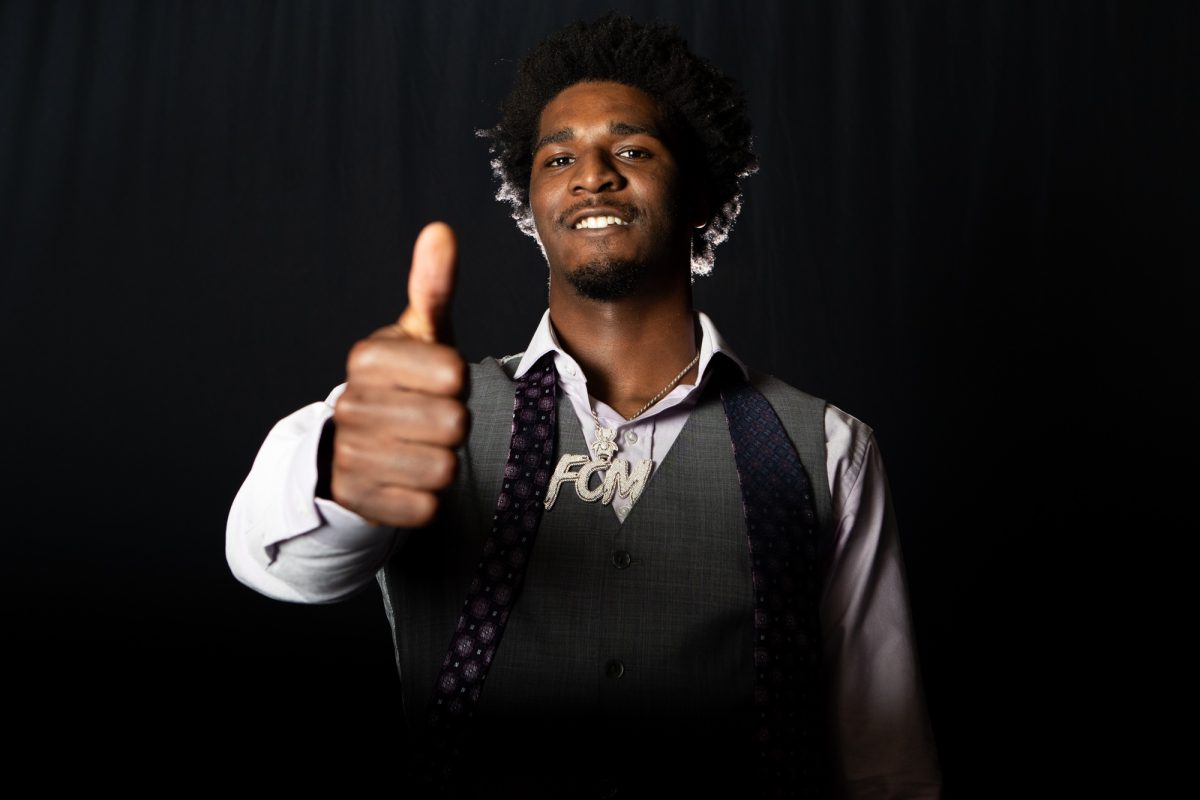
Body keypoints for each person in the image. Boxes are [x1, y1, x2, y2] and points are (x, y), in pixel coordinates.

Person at [226, 12, 940, 799]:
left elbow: (884, 754)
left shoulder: (830, 448)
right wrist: (344, 471)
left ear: (700, 191)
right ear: (529, 203)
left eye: (631, 149)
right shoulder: (416, 414)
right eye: (557, 155)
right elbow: (281, 563)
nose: (591, 173)